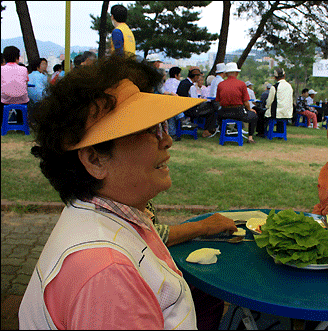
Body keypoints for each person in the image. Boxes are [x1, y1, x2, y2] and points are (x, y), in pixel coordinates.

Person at [18, 54, 238, 330]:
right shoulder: (108, 276)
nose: (167, 140)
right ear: (95, 160)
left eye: (163, 127)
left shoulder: (107, 215)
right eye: (150, 130)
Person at [216, 62, 258, 143]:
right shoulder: (241, 84)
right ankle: (250, 138)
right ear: (236, 73)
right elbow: (246, 102)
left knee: (219, 115)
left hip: (224, 113)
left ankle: (223, 134)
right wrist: (250, 109)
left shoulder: (220, 84)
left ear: (226, 73)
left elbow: (218, 100)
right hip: (238, 113)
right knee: (254, 115)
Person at [177, 67, 218, 138]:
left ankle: (208, 130)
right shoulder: (191, 86)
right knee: (212, 108)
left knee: (211, 108)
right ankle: (208, 130)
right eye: (198, 76)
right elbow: (195, 101)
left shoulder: (183, 82)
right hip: (191, 110)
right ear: (195, 76)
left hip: (182, 108)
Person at [163, 66, 196, 140]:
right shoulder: (179, 83)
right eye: (179, 74)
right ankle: (183, 120)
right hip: (176, 104)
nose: (180, 75)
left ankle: (173, 134)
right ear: (176, 75)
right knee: (174, 109)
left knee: (172, 114)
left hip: (166, 104)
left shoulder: (167, 82)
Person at [1, 46, 29, 126]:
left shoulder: (1, 69)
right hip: (22, 98)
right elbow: (26, 84)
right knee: (23, 101)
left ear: (5, 58)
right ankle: (21, 123)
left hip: (5, 99)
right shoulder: (24, 69)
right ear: (18, 57)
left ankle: (2, 124)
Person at [265, 68, 293, 133]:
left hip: (276, 113)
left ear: (275, 77)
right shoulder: (289, 86)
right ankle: (280, 132)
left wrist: (266, 107)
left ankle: (262, 132)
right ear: (284, 75)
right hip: (287, 113)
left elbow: (269, 101)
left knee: (262, 114)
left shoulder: (274, 87)